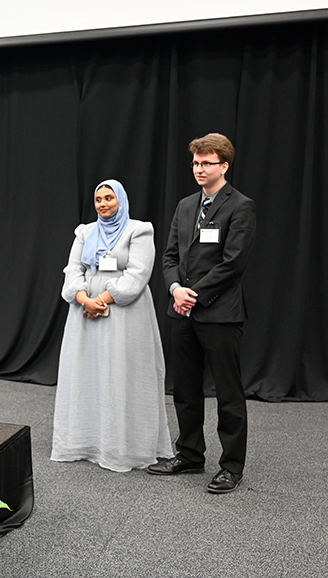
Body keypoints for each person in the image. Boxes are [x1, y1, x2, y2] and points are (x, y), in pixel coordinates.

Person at [148, 133, 256, 494]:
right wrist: (176, 289)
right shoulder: (184, 206)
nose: (199, 168)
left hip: (219, 313)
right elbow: (170, 258)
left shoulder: (240, 206)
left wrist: (194, 295)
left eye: (207, 163)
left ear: (224, 165)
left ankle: (231, 467)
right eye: (195, 162)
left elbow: (233, 264)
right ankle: (190, 454)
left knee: (228, 393)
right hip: (181, 311)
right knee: (185, 390)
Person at [51, 179, 174, 472]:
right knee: (87, 374)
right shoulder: (85, 231)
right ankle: (85, 442)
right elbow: (73, 268)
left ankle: (122, 448)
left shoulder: (139, 230)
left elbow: (138, 275)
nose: (103, 204)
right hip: (85, 314)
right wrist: (83, 298)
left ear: (120, 200)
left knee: (121, 375)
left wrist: (102, 299)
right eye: (98, 199)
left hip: (124, 315)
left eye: (109, 198)